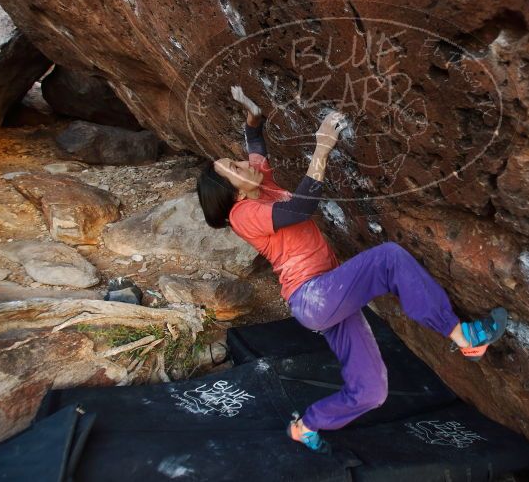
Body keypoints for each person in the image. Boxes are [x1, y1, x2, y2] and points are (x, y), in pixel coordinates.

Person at [196, 85, 508, 454]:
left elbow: (255, 142)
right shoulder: (243, 214)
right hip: (313, 295)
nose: (242, 162)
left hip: (324, 297)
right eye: (234, 168)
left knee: (371, 391)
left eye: (235, 161)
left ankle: (306, 425)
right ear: (234, 193)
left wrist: (250, 112)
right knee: (388, 259)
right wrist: (322, 147)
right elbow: (300, 210)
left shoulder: (257, 184)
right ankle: (462, 336)